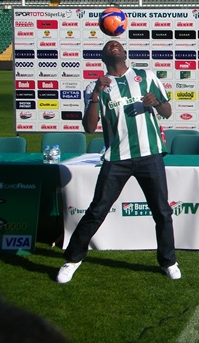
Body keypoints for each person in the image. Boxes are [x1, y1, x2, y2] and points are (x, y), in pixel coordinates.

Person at [57, 40, 180, 283]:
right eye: (108, 46)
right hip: (116, 158)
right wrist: (95, 94)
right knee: (97, 210)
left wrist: (157, 102)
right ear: (103, 58)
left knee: (162, 211)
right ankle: (72, 260)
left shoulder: (146, 76)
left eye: (117, 45)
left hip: (149, 154)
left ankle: (169, 261)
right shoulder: (97, 85)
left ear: (125, 54)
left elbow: (167, 112)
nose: (113, 46)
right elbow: (89, 127)